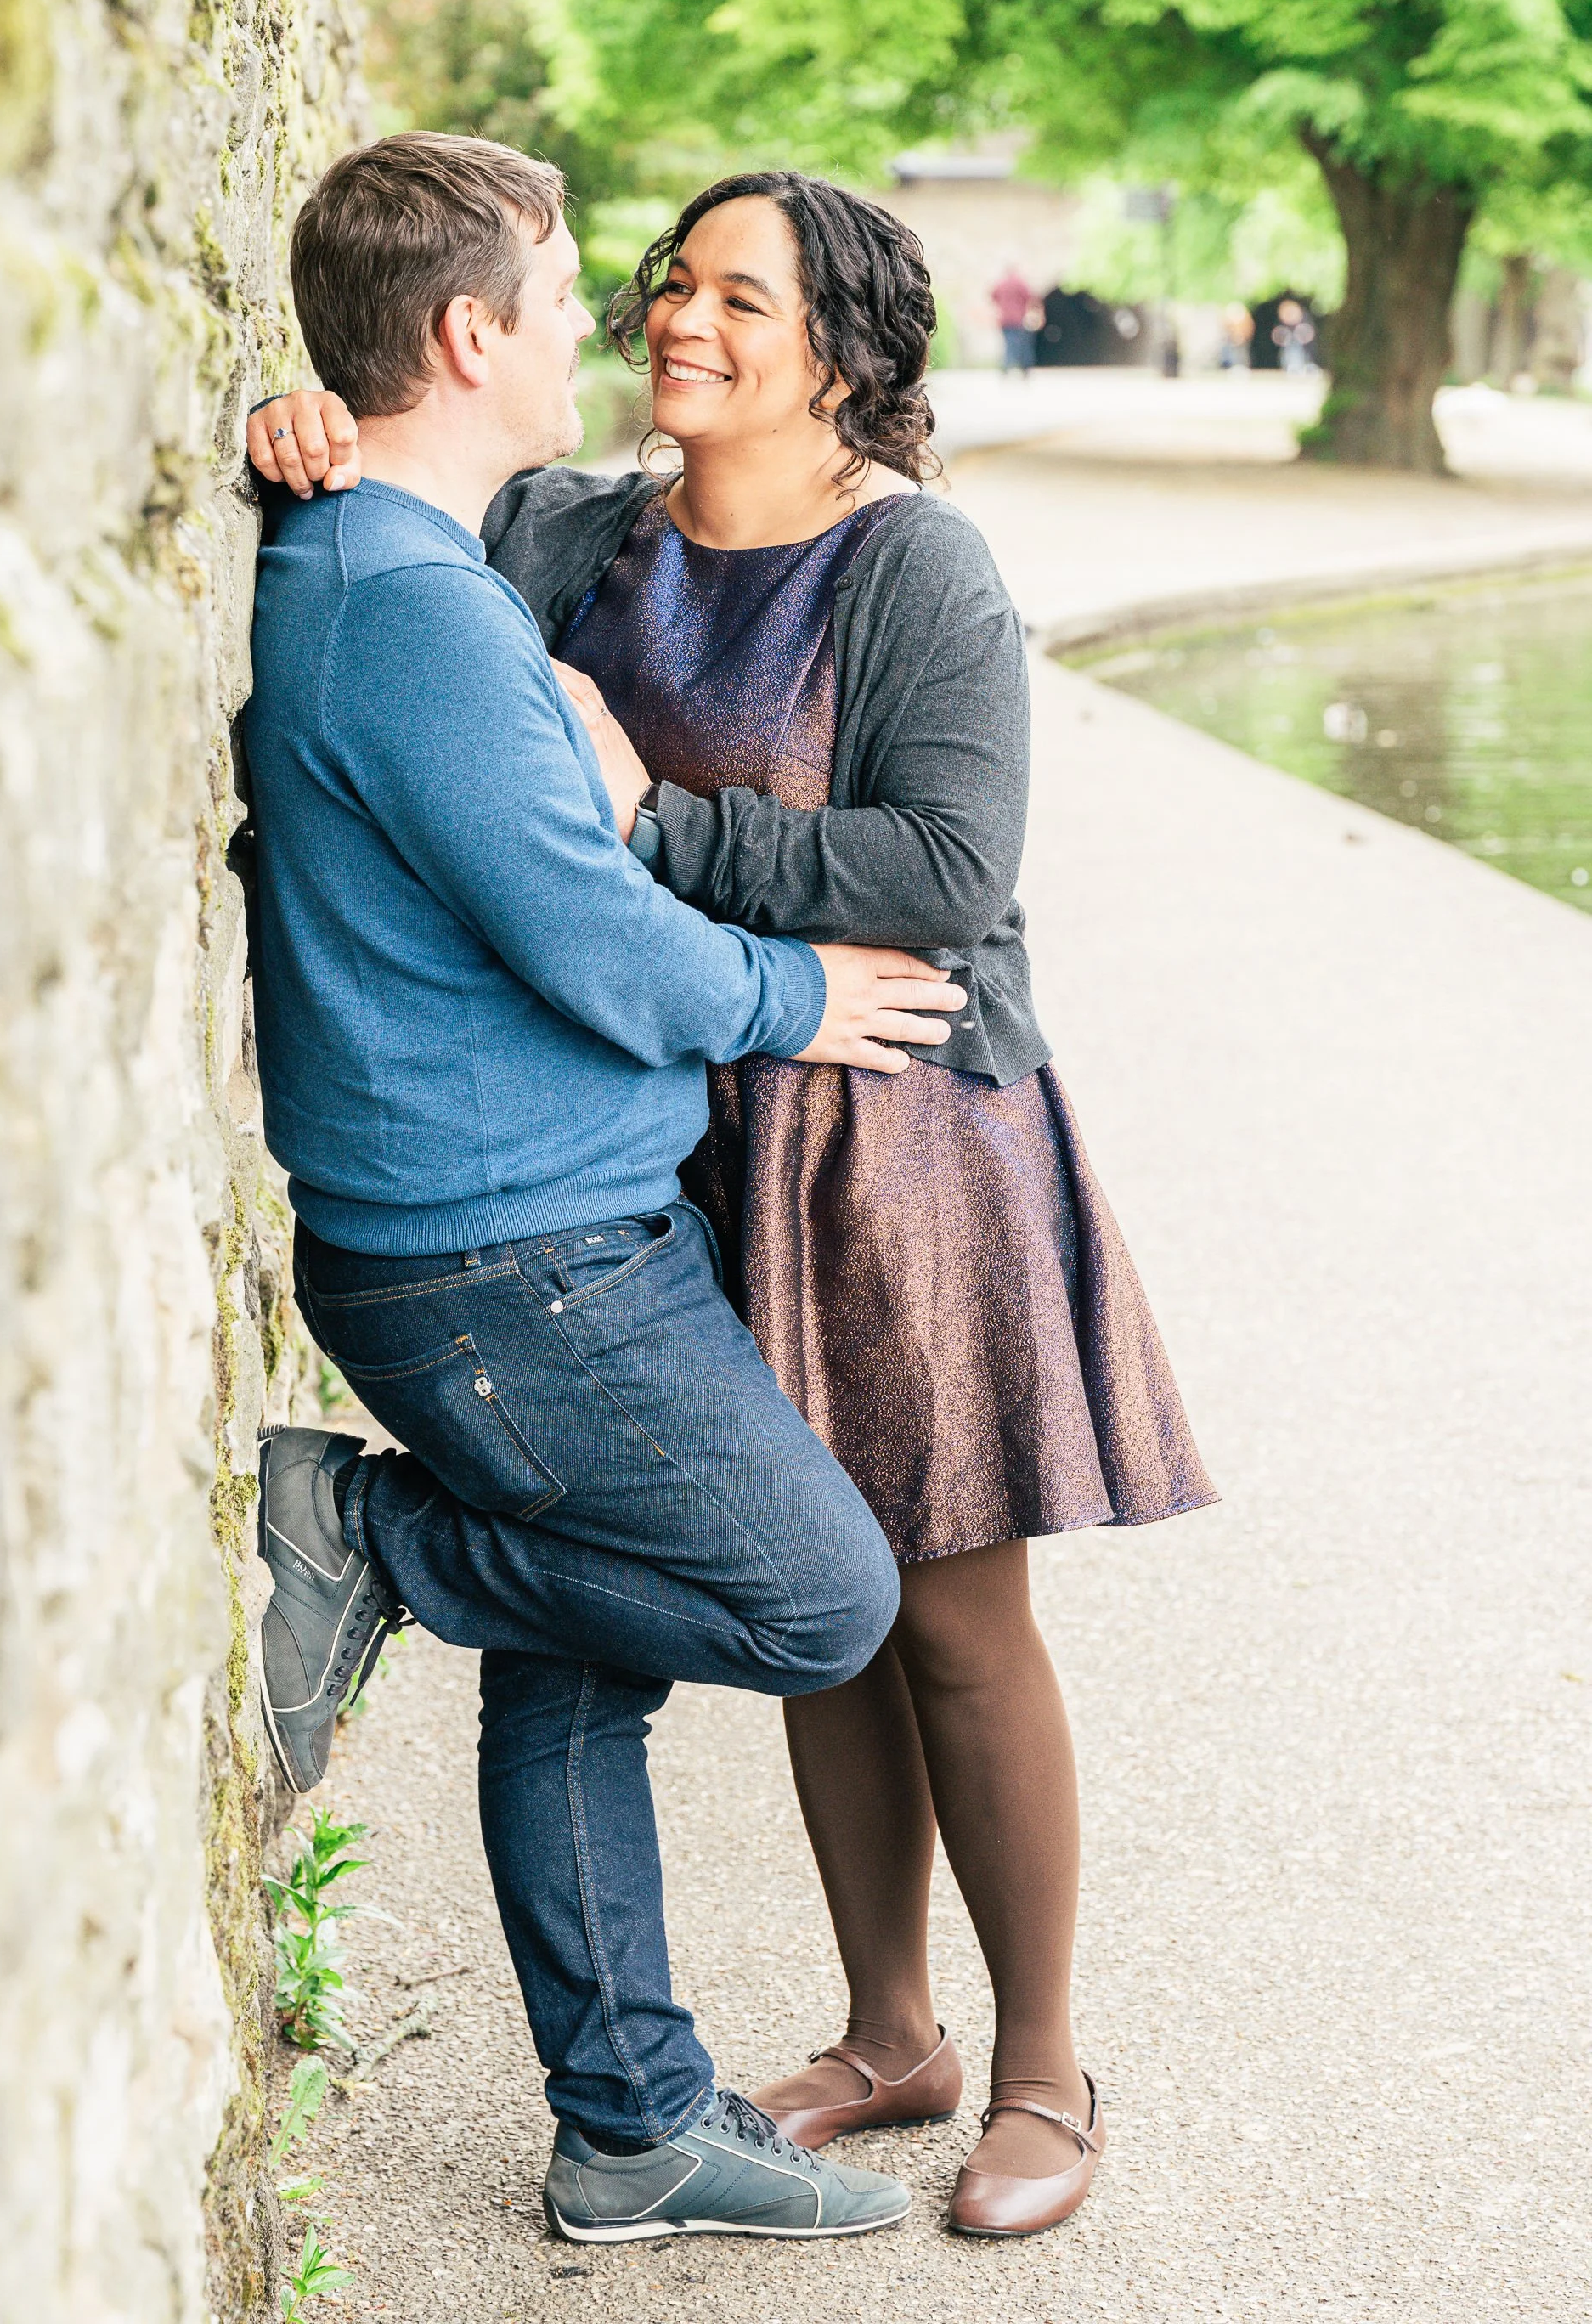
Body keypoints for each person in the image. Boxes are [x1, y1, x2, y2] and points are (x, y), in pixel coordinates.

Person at [256, 167, 1217, 2241]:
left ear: (843, 356)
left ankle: (1041, 2062)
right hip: (684, 1127)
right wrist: (296, 438)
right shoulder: (562, 532)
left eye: (739, 297)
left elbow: (942, 872)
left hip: (897, 1138)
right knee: (809, 1618)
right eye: (672, 280)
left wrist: (654, 824)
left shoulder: (912, 567)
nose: (680, 316)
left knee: (944, 1610)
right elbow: (403, 619)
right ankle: (888, 2033)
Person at [990, 263, 1042, 375]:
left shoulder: (1001, 284)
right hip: (1019, 319)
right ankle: (1025, 368)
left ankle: (1006, 367)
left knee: (1009, 344)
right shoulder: (1020, 283)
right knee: (1022, 345)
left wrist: (1002, 305)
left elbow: (993, 296)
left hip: (1005, 320)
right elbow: (1030, 297)